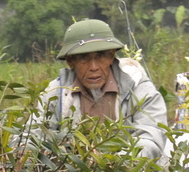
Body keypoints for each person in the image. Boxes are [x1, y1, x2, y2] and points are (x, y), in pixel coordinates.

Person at [26, 19, 168, 159]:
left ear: (111, 56)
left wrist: (114, 164)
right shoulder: (55, 94)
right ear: (70, 61)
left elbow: (151, 139)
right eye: (84, 58)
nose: (93, 67)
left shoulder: (139, 90)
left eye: (100, 56)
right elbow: (32, 136)